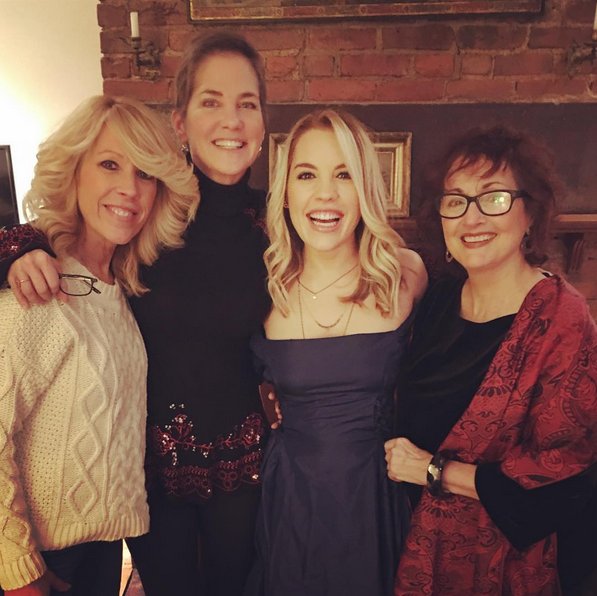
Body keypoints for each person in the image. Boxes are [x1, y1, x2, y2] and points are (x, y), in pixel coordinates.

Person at [0, 32, 271, 596]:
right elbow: (71, 245)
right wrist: (16, 247)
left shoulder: (273, 223)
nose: (231, 119)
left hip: (237, 469)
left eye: (247, 103)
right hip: (146, 487)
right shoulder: (139, 229)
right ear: (181, 123)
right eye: (211, 101)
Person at [384, 125, 597, 595]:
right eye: (456, 200)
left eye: (494, 198)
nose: (471, 217)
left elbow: (566, 479)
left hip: (504, 567)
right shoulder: (437, 299)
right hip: (414, 545)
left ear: (530, 213)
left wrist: (435, 472)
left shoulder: (561, 319)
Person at [0, 95, 198, 596]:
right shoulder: (37, 285)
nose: (129, 189)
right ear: (74, 172)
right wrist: (18, 568)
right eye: (110, 164)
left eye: (145, 173)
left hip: (104, 548)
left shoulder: (120, 289)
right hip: (43, 558)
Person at [244, 109, 427, 596]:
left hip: (375, 497)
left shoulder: (405, 276)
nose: (325, 194)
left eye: (343, 174)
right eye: (307, 175)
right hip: (292, 497)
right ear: (286, 191)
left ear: (365, 188)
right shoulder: (262, 290)